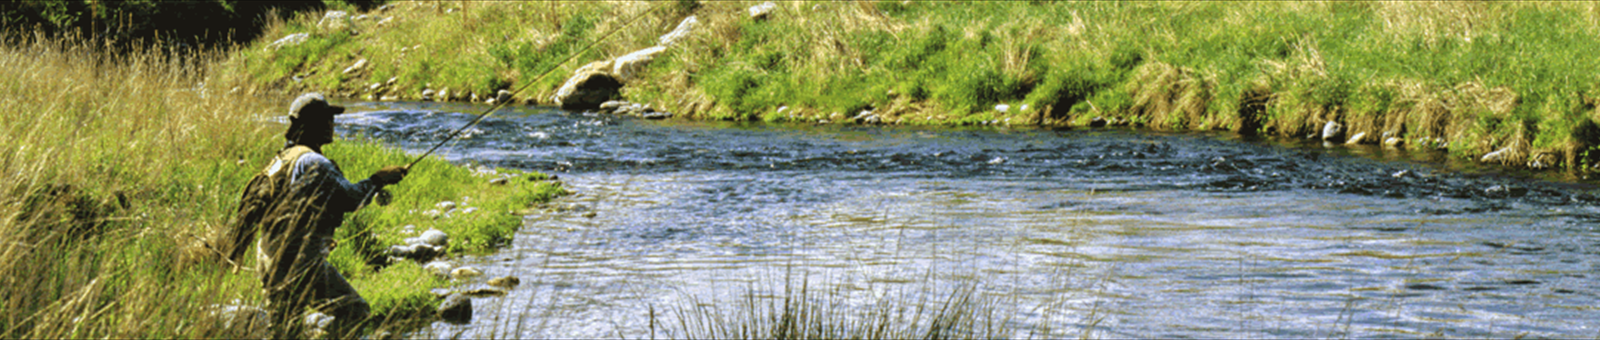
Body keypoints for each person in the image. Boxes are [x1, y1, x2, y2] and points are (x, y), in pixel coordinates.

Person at [220, 92, 408, 337]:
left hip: (268, 254)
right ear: (311, 125)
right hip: (297, 260)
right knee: (355, 313)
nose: (332, 124)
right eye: (326, 118)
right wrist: (379, 179)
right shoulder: (314, 162)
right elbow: (351, 199)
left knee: (286, 331)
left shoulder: (283, 157)